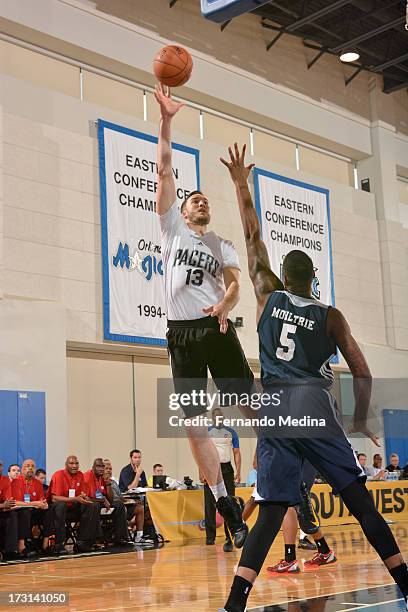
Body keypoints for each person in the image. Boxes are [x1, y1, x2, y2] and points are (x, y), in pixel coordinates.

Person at [220, 143, 408, 612]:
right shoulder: (331, 316)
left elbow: (251, 235)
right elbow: (361, 371)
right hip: (313, 405)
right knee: (360, 504)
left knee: (269, 513)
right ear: (313, 278)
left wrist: (242, 184)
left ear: (281, 277)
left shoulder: (268, 296)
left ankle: (234, 604)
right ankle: (407, 584)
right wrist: (361, 420)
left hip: (275, 407)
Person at [154, 84, 253, 548]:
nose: (200, 202)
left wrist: (226, 304)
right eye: (194, 199)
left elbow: (236, 284)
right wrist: (167, 119)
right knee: (194, 425)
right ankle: (225, 501)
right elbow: (164, 169)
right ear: (182, 209)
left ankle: (288, 473)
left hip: (216, 327)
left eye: (204, 201)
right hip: (182, 335)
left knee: (254, 408)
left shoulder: (221, 243)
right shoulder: (172, 227)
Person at [44, 455, 102, 555]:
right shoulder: (58, 475)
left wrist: (84, 498)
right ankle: (59, 544)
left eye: (76, 463)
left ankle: (83, 542)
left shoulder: (80, 475)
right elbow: (54, 498)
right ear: (66, 465)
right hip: (56, 510)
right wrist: (75, 499)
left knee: (93, 505)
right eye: (71, 463)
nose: (74, 466)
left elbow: (82, 494)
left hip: (73, 508)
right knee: (61, 505)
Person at [204, 408, 241, 552]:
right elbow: (202, 452)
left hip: (227, 469)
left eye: (221, 416)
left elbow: (236, 452)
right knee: (210, 504)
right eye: (216, 417)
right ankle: (210, 537)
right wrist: (202, 471)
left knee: (229, 503)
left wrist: (238, 471)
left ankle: (229, 538)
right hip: (211, 468)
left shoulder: (231, 432)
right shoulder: (207, 432)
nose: (219, 419)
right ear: (212, 418)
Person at [84, 458, 133, 548]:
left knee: (119, 505)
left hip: (100, 502)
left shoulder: (102, 477)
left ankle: (120, 538)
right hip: (88, 504)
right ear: (93, 467)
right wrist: (103, 500)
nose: (101, 469)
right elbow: (86, 498)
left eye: (103, 466)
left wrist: (108, 484)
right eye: (98, 466)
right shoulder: (87, 477)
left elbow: (110, 498)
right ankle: (96, 539)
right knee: (95, 505)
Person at [104, 460, 152, 546]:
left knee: (139, 508)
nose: (108, 471)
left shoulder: (113, 482)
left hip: (121, 503)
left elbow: (120, 495)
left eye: (110, 469)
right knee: (123, 508)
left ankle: (139, 536)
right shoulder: (102, 481)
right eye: (106, 468)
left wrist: (129, 500)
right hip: (112, 507)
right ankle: (123, 536)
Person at [11, 458, 48, 557]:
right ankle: (22, 546)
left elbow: (41, 500)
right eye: (27, 466)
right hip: (21, 512)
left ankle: (46, 545)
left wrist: (44, 504)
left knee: (50, 510)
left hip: (35, 512)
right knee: (25, 511)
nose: (30, 468)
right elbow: (16, 503)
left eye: (32, 466)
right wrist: (35, 503)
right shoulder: (16, 482)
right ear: (22, 469)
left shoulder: (38, 483)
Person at [0, 460, 19, 560]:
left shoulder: (5, 480)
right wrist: (3, 505)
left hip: (2, 509)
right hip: (1, 506)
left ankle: (10, 551)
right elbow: (4, 504)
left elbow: (8, 501)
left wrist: (6, 505)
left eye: (0, 465)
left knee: (12, 514)